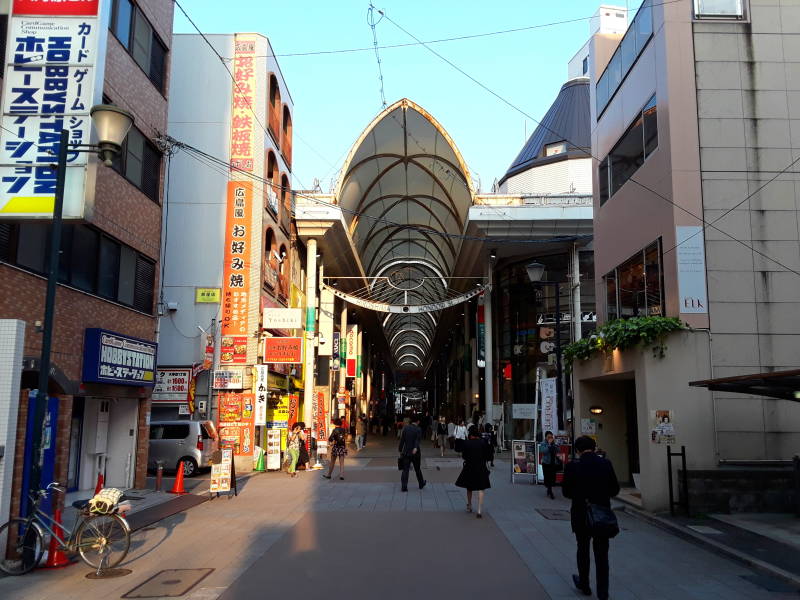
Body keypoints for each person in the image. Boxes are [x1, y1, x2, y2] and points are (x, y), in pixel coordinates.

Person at [562, 436, 621, 600]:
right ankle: (603, 592)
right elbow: (615, 489)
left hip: (581, 513)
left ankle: (585, 584)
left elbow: (566, 492)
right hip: (601, 514)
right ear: (594, 448)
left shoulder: (572, 466)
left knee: (583, 549)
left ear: (578, 450)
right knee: (602, 554)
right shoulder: (605, 464)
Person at [455, 425, 491, 518]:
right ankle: (479, 510)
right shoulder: (483, 443)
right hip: (481, 467)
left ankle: (470, 505)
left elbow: (464, 456)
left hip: (470, 467)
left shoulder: (467, 443)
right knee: (481, 488)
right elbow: (488, 456)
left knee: (469, 487)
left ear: (470, 433)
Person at [398, 415, 427, 492]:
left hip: (406, 452)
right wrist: (415, 447)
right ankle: (421, 483)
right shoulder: (418, 429)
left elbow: (402, 440)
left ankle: (404, 487)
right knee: (417, 469)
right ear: (418, 421)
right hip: (415, 453)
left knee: (405, 470)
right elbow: (417, 440)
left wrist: (400, 449)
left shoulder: (406, 428)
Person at [539, 431, 560, 499]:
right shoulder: (543, 443)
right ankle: (549, 489)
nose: (550, 438)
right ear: (545, 437)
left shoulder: (554, 443)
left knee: (552, 477)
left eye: (551, 437)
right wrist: (549, 445)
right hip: (546, 463)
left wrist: (554, 444)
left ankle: (550, 490)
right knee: (547, 477)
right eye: (548, 437)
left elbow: (558, 450)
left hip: (553, 462)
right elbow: (543, 451)